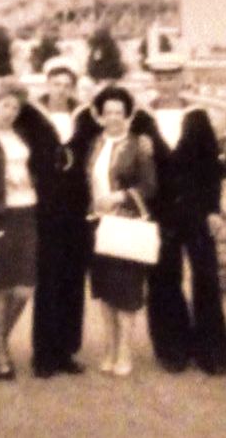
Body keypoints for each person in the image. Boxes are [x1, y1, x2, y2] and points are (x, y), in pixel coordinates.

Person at [135, 65, 226, 376]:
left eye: (171, 79)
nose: (165, 84)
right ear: (155, 81)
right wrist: (141, 152)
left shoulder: (198, 117)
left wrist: (214, 210)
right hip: (159, 211)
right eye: (160, 79)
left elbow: (211, 168)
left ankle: (212, 351)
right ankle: (172, 348)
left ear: (181, 81)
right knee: (164, 278)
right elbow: (129, 163)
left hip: (196, 209)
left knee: (205, 276)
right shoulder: (142, 119)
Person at [16, 56, 101, 378]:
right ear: (46, 84)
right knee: (48, 278)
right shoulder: (30, 116)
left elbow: (117, 126)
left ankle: (66, 350)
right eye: (56, 84)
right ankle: (44, 354)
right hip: (44, 206)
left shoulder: (84, 117)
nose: (61, 90)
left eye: (67, 85)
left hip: (76, 208)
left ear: (73, 88)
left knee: (72, 278)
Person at [86, 86, 156, 377]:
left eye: (119, 112)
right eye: (108, 112)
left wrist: (120, 197)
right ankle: (110, 348)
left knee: (126, 291)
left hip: (125, 226)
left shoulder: (138, 146)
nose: (113, 117)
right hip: (97, 225)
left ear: (127, 116)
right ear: (100, 116)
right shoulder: (94, 144)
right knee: (104, 291)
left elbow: (150, 186)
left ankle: (126, 350)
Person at [0, 80, 38, 380]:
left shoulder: (21, 134)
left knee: (26, 286)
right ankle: (0, 353)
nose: (10, 112)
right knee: (1, 285)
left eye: (16, 107)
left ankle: (0, 341)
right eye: (5, 105)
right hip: (2, 214)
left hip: (28, 211)